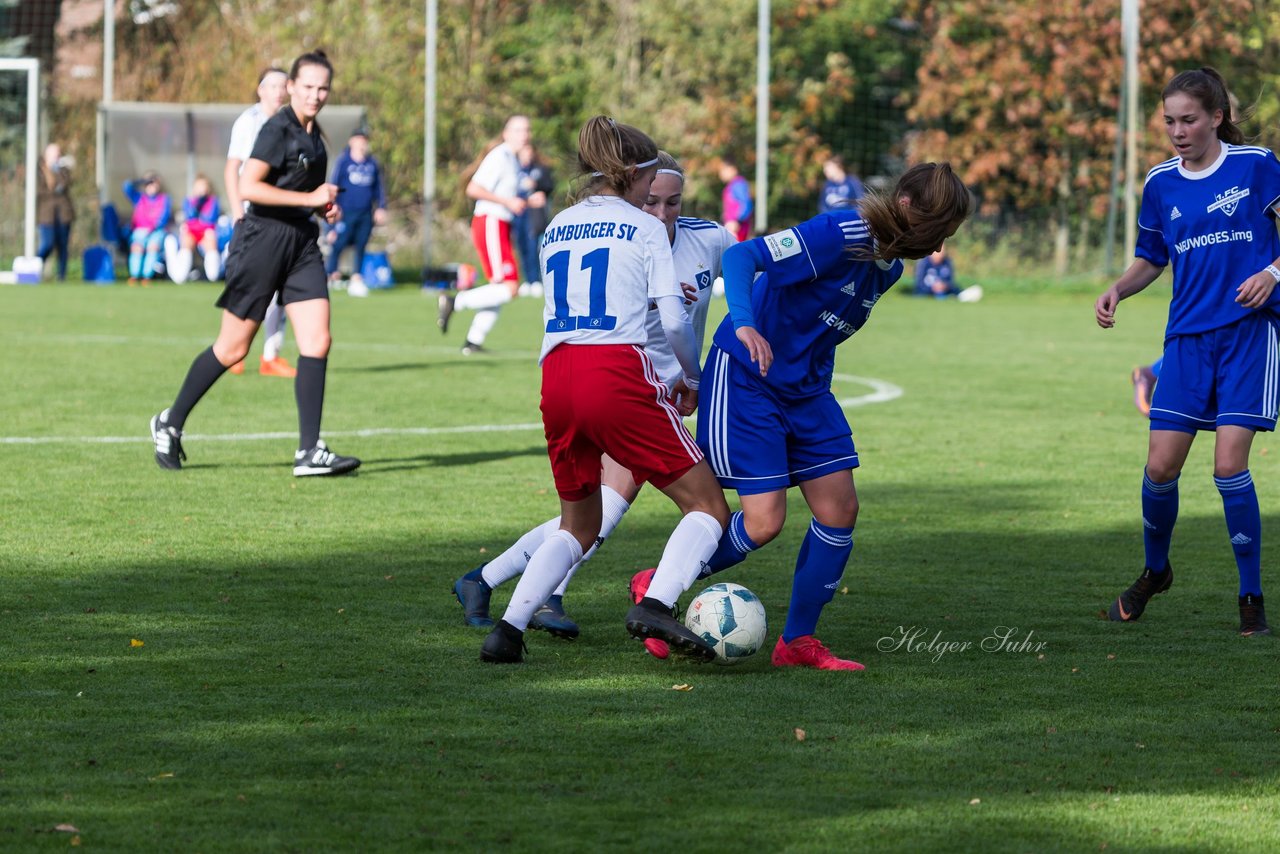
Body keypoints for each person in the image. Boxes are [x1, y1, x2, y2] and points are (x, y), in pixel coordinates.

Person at [629, 161, 972, 671]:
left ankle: (797, 643)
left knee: (840, 511)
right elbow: (744, 256)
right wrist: (745, 324)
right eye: (938, 231)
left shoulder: (891, 265)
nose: (940, 247)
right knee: (765, 523)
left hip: (808, 392)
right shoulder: (840, 231)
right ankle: (658, 585)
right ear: (906, 208)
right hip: (748, 379)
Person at [478, 117, 731, 664]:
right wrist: (693, 377)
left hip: (556, 376)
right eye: (650, 179)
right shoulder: (641, 228)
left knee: (579, 523)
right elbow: (674, 322)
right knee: (708, 507)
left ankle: (508, 630)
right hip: (615, 372)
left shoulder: (559, 224)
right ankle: (657, 604)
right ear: (635, 174)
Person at [1095, 66, 1280, 637]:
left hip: (1250, 336)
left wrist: (1273, 272)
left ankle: (1250, 596)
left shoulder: (1257, 166)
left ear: (1217, 116)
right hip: (1187, 341)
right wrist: (1119, 289)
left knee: (1229, 467)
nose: (1177, 131)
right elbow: (1153, 256)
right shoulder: (1160, 183)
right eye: (1170, 120)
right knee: (1159, 467)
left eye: (1189, 119)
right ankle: (1156, 571)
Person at [149, 50, 360, 478]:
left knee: (317, 341)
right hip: (262, 240)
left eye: (323, 88)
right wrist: (308, 200)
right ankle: (169, 422)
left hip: (301, 244)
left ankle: (309, 452)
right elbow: (249, 185)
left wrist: (323, 208)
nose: (316, 95)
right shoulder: (276, 128)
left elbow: (305, 190)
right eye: (308, 87)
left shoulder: (314, 133)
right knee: (232, 348)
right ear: (292, 88)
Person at [437, 115, 531, 354]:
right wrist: (507, 201)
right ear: (506, 133)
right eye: (519, 130)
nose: (524, 135)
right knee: (509, 288)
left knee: (500, 288)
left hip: (500, 224)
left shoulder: (512, 159)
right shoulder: (499, 156)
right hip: (491, 222)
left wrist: (528, 198)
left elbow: (511, 194)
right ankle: (454, 302)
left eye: (527, 130)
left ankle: (473, 342)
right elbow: (473, 188)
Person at [224, 67, 296, 378]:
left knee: (281, 291)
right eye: (272, 85)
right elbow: (232, 168)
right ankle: (233, 351)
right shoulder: (249, 122)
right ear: (260, 90)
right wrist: (238, 211)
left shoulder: (291, 123)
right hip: (254, 216)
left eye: (284, 85)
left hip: (282, 218)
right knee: (249, 286)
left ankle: (271, 356)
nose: (279, 91)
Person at [325, 130, 388, 298]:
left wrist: (381, 207)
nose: (362, 144)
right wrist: (332, 210)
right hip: (345, 212)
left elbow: (379, 188)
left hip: (365, 212)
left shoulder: (372, 163)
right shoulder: (343, 162)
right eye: (359, 140)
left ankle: (356, 278)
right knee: (338, 243)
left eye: (364, 141)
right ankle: (332, 274)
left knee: (361, 245)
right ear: (351, 141)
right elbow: (333, 185)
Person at [513, 142, 554, 290]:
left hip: (534, 216)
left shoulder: (539, 169)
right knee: (521, 246)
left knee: (534, 247)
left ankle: (535, 279)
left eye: (529, 151)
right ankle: (527, 280)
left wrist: (536, 186)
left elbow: (548, 187)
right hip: (518, 215)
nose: (527, 155)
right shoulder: (514, 169)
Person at [167, 174, 222, 283]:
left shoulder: (213, 201)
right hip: (191, 232)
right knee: (180, 276)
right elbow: (190, 217)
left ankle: (217, 271)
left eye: (204, 186)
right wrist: (197, 204)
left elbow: (210, 219)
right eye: (199, 186)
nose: (202, 189)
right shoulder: (188, 201)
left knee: (213, 275)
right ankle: (179, 273)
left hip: (206, 233)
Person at [123, 171, 171, 284]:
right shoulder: (139, 198)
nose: (151, 186)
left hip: (156, 231)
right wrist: (142, 181)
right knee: (136, 247)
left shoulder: (164, 199)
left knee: (152, 247)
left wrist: (152, 228)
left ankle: (147, 277)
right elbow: (126, 186)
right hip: (140, 231)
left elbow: (164, 217)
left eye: (153, 182)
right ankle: (134, 276)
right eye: (148, 183)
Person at [36, 143, 75, 281]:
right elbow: (39, 191)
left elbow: (68, 183)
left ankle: (61, 276)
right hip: (47, 216)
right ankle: (35, 268)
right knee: (48, 243)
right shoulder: (39, 170)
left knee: (62, 246)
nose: (57, 156)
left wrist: (62, 169)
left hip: (63, 215)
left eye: (58, 153)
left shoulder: (63, 170)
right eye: (54, 153)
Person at [913, 243, 982, 301]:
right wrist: (932, 288)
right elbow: (919, 284)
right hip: (927, 294)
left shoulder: (947, 262)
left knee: (976, 290)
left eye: (942, 251)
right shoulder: (924, 263)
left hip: (945, 293)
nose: (940, 253)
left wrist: (945, 286)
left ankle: (959, 297)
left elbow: (951, 282)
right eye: (938, 251)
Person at [719, 156, 753, 242]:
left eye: (723, 169)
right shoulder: (732, 185)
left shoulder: (738, 184)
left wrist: (738, 221)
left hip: (737, 228)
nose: (721, 173)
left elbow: (746, 204)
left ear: (733, 169)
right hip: (732, 226)